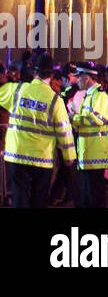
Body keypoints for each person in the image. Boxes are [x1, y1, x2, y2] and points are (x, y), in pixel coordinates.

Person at [0, 53, 76, 207]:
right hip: (41, 158)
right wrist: (69, 157)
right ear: (52, 74)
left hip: (16, 154)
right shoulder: (55, 100)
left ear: (34, 72)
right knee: (38, 200)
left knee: (19, 198)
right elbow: (64, 132)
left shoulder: (17, 90)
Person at [68, 65, 108, 208]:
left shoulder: (101, 96)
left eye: (79, 77)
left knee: (95, 194)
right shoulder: (88, 96)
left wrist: (73, 118)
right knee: (87, 193)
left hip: (97, 153)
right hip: (88, 152)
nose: (76, 80)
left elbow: (95, 120)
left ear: (87, 78)